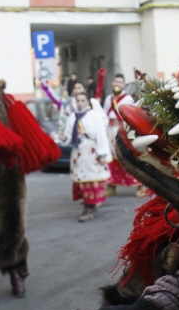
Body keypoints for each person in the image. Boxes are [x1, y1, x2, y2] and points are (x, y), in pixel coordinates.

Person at [59, 92, 112, 222]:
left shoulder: (94, 116)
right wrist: (64, 138)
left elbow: (101, 135)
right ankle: (89, 204)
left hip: (91, 151)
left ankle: (89, 207)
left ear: (88, 102)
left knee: (91, 179)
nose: (80, 103)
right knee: (82, 180)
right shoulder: (72, 117)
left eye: (83, 100)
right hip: (78, 152)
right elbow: (68, 136)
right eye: (78, 100)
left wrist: (102, 154)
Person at [103, 73, 145, 197]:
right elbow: (104, 115)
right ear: (112, 83)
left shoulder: (128, 99)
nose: (117, 84)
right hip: (110, 131)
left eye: (120, 82)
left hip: (122, 131)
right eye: (115, 81)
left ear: (124, 85)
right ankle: (111, 186)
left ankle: (140, 186)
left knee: (128, 157)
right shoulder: (108, 99)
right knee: (111, 159)